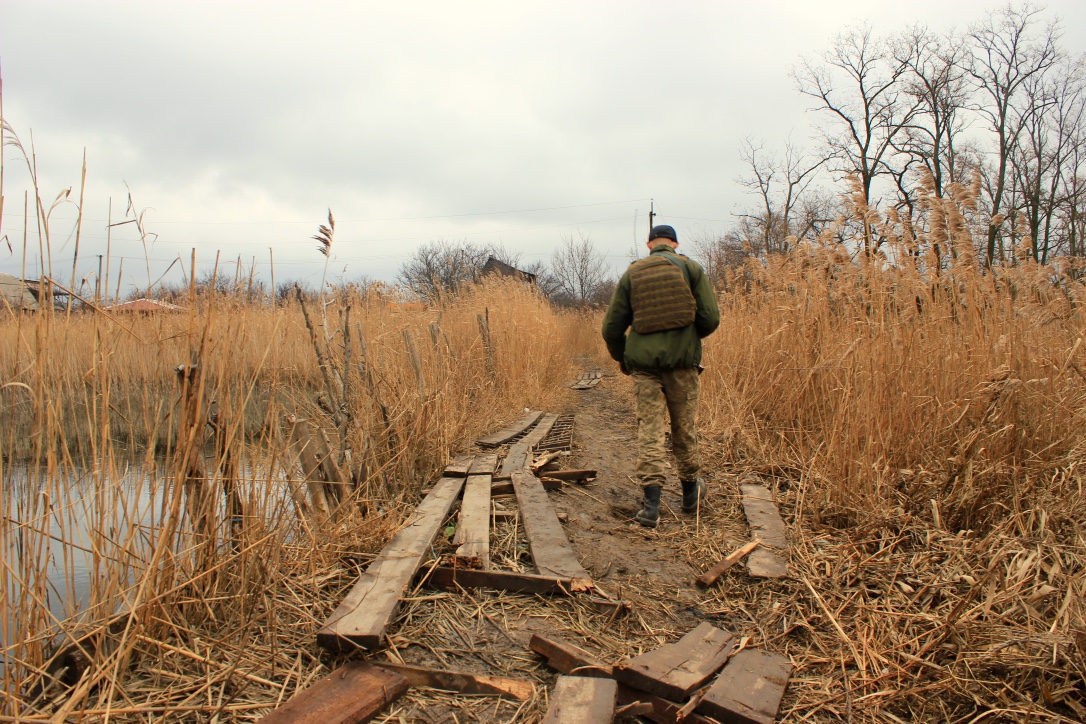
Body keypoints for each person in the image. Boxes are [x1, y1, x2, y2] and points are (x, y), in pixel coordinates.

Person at [601, 224, 720, 528]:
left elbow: (612, 329)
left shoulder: (633, 273)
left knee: (650, 432)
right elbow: (710, 318)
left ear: (649, 244)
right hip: (683, 366)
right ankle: (690, 495)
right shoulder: (691, 269)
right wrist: (688, 339)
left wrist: (624, 358)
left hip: (644, 368)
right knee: (684, 428)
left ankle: (651, 506)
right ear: (675, 244)